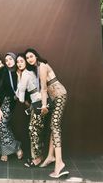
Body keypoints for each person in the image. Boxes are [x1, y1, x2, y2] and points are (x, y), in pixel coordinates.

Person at [25, 48, 69, 178]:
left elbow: (44, 88)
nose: (29, 59)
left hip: (60, 96)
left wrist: (44, 105)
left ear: (36, 56)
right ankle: (50, 156)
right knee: (53, 125)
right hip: (54, 98)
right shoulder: (37, 69)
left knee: (55, 126)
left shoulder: (42, 66)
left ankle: (59, 163)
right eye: (27, 58)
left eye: (31, 56)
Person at [0, 52, 23, 162]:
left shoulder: (15, 72)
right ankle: (4, 151)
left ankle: (16, 148)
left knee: (1, 123)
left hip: (8, 102)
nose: (0, 61)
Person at [16, 53, 46, 167]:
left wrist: (19, 78)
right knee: (37, 129)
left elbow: (21, 98)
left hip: (38, 103)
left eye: (21, 61)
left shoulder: (25, 74)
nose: (19, 64)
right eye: (17, 62)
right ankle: (38, 156)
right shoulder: (32, 72)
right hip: (40, 102)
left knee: (33, 130)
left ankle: (37, 158)